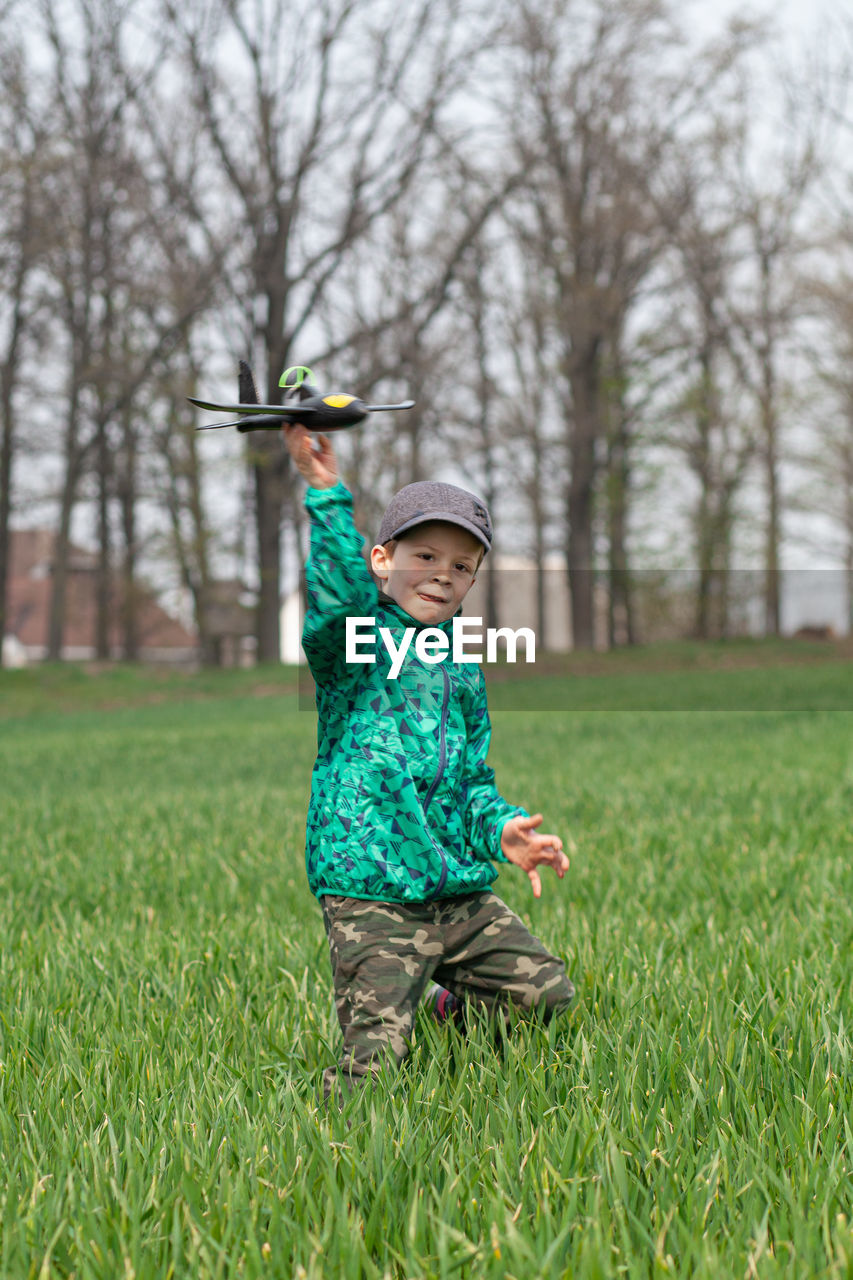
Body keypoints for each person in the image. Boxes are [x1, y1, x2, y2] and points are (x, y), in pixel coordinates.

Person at [283, 422, 575, 1104]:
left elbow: (470, 782)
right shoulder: (353, 646)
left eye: (460, 565)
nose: (442, 574)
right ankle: (326, 1141)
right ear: (382, 560)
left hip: (453, 893)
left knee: (546, 997)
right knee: (374, 1074)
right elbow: (332, 601)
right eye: (425, 556)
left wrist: (501, 830)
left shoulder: (461, 668)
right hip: (372, 891)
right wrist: (326, 495)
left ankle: (443, 1007)